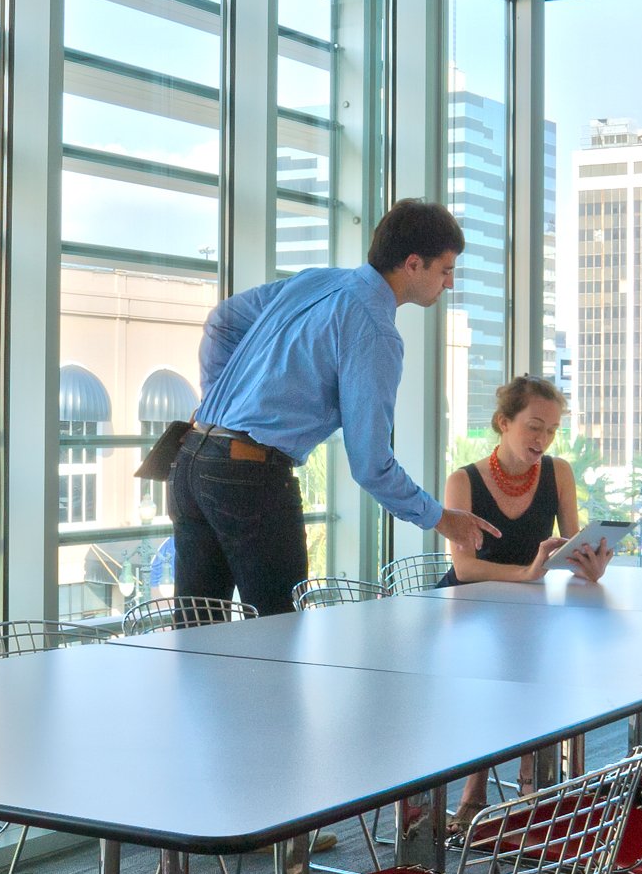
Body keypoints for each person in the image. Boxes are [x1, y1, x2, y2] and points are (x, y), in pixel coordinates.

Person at [172, 199, 490, 616]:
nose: (449, 283)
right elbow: (370, 464)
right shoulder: (376, 332)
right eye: (446, 270)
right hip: (249, 477)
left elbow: (223, 321)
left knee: (198, 630)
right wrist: (440, 518)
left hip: (192, 458)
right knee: (277, 634)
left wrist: (220, 409)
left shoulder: (317, 282)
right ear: (414, 264)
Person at [442, 373, 613, 587]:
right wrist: (526, 573)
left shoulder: (559, 472)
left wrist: (589, 567)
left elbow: (573, 555)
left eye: (552, 430)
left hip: (525, 603)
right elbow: (464, 569)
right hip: (466, 605)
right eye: (534, 427)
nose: (543, 439)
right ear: (503, 422)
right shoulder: (462, 481)